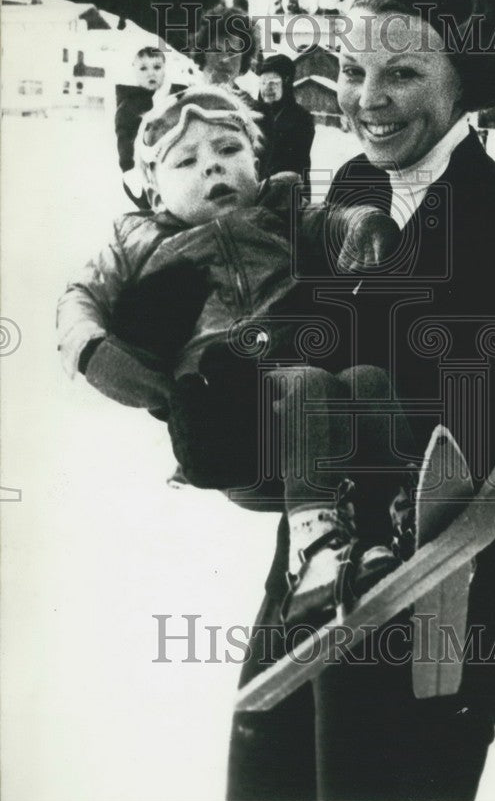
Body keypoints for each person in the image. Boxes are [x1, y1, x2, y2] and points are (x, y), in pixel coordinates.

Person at [223, 0, 495, 801]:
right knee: (269, 792)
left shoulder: (493, 218)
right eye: (351, 67)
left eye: (403, 73)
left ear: (463, 85)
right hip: (312, 568)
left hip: (430, 587)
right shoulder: (347, 185)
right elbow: (299, 344)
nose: (366, 99)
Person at [57, 86, 413, 624]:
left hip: (307, 410)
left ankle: (392, 513)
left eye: (228, 151)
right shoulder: (140, 241)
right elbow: (83, 294)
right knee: (308, 384)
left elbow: (330, 221)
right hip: (226, 413)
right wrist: (89, 346)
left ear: (256, 159)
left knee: (366, 378)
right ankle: (313, 547)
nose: (212, 169)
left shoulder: (278, 214)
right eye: (187, 161)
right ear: (156, 194)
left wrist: (359, 227)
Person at [114, 46, 185, 209]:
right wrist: (129, 171)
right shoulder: (128, 107)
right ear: (135, 71)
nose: (151, 73)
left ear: (164, 69)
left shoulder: (177, 95)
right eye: (143, 68)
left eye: (157, 67)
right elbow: (124, 139)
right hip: (145, 173)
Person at [254, 54, 316, 194]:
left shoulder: (301, 119)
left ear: (286, 83)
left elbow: (295, 166)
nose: (267, 88)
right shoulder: (253, 116)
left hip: (287, 194)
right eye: (263, 83)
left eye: (273, 83)